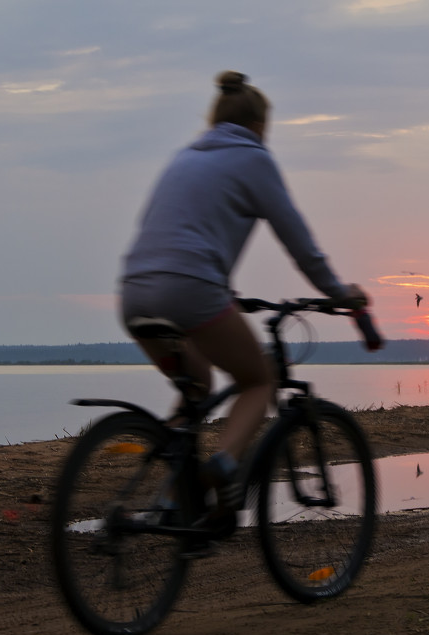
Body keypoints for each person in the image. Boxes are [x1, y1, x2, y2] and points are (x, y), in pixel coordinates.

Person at [119, 70, 367, 518]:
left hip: (134, 291)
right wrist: (339, 293)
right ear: (259, 127)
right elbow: (301, 246)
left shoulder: (185, 157)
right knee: (258, 380)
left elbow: (179, 233)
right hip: (190, 288)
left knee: (196, 387)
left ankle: (173, 495)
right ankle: (222, 466)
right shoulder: (254, 158)